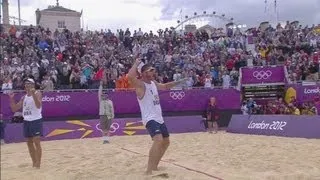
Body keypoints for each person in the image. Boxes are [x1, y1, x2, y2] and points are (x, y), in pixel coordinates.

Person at [127, 59, 186, 175]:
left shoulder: (153, 83)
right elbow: (130, 76)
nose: (153, 73)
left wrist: (179, 82)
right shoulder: (141, 85)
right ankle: (148, 171)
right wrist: (136, 63)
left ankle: (154, 166)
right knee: (158, 140)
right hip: (150, 118)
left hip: (159, 118)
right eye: (150, 71)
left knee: (166, 142)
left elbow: (164, 86)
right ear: (143, 73)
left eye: (153, 71)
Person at [8, 78, 43, 168]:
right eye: (26, 84)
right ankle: (34, 162)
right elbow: (14, 109)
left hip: (36, 120)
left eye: (29, 84)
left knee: (37, 142)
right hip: (26, 121)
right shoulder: (24, 97)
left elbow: (38, 106)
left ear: (33, 85)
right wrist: (11, 99)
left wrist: (33, 94)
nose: (27, 85)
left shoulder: (37, 93)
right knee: (29, 143)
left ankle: (38, 164)